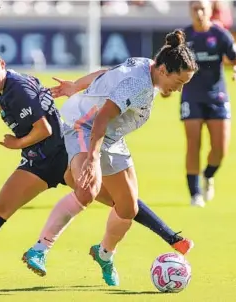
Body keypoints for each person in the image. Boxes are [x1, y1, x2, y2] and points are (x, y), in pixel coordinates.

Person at [0, 1, 193, 287]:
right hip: (49, 153)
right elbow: (107, 78)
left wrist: (18, 143)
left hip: (61, 149)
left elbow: (45, 127)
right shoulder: (11, 87)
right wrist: (76, 88)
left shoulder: (18, 89)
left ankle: (74, 252)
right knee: (18, 206)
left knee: (117, 200)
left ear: (3, 64)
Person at [23, 30, 198, 286]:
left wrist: (76, 85)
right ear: (163, 70)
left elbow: (105, 73)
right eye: (180, 81)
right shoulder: (139, 84)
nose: (180, 89)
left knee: (128, 208)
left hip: (112, 138)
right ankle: (40, 249)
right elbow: (102, 118)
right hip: (84, 127)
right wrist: (92, 159)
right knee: (87, 189)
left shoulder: (145, 64)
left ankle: (104, 253)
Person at [168, 0, 236, 207]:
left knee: (220, 149)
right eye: (195, 9)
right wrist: (164, 86)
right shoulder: (182, 37)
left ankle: (208, 175)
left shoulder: (220, 35)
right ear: (190, 11)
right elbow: (165, 62)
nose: (199, 12)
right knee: (193, 144)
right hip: (191, 96)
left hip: (217, 97)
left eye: (203, 8)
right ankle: (195, 194)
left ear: (211, 11)